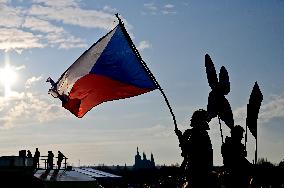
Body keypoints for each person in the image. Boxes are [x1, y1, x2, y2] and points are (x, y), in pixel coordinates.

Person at [175, 109, 213, 188]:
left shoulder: (197, 134)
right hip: (201, 170)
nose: (191, 119)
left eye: (193, 118)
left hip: (197, 170)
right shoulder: (202, 134)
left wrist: (181, 138)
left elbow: (187, 151)